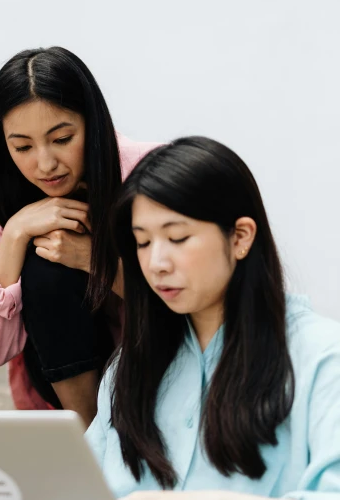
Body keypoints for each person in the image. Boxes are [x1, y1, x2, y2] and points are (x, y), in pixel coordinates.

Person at [88, 136, 340, 499]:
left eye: (177, 238)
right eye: (142, 243)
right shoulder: (128, 368)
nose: (156, 263)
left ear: (240, 237)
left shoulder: (321, 359)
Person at [0, 46, 160, 424]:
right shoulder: (9, 209)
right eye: (22, 147)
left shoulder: (149, 175)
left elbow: (192, 307)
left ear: (93, 123)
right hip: (67, 383)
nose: (45, 164)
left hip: (159, 362)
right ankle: (89, 438)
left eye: (62, 138)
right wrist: (16, 234)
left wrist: (91, 260)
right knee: (42, 264)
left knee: (53, 258)